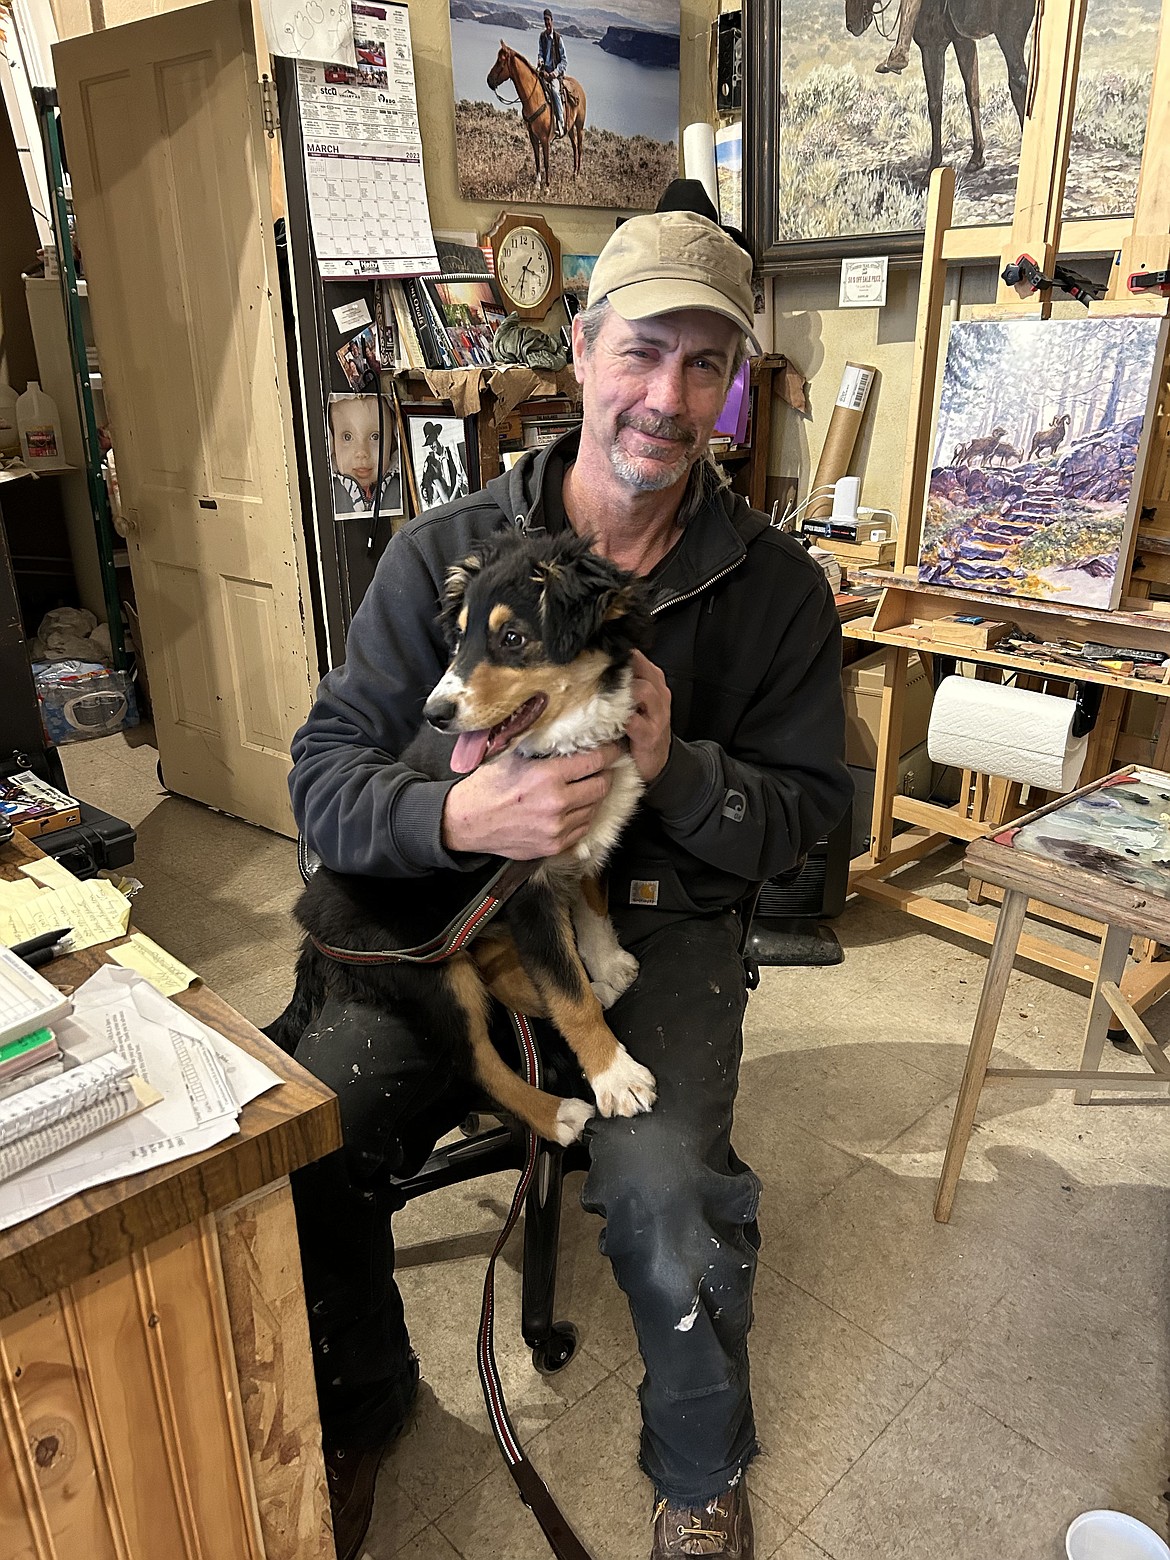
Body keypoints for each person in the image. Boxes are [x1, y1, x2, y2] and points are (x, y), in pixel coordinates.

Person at [285, 208, 852, 1560]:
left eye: (703, 366)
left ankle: (699, 1471)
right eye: (643, 351)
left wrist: (687, 768)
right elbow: (321, 778)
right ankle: (365, 1404)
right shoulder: (440, 553)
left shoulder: (776, 593)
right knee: (301, 1136)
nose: (666, 397)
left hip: (658, 927)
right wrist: (456, 809)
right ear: (582, 345)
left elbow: (811, 832)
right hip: (450, 917)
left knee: (662, 1189)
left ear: (731, 389)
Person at [328, 393, 401, 519]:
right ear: (332, 442)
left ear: (392, 442)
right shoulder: (329, 495)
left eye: (375, 437)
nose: (362, 452)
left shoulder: (400, 492)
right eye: (347, 437)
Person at [538, 7, 568, 137]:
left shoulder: (558, 38)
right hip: (545, 72)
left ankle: (560, 124)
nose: (546, 23)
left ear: (552, 21)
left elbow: (564, 61)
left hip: (555, 74)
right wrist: (540, 61)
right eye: (544, 20)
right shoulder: (542, 37)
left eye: (548, 20)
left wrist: (555, 73)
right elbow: (540, 53)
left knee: (555, 91)